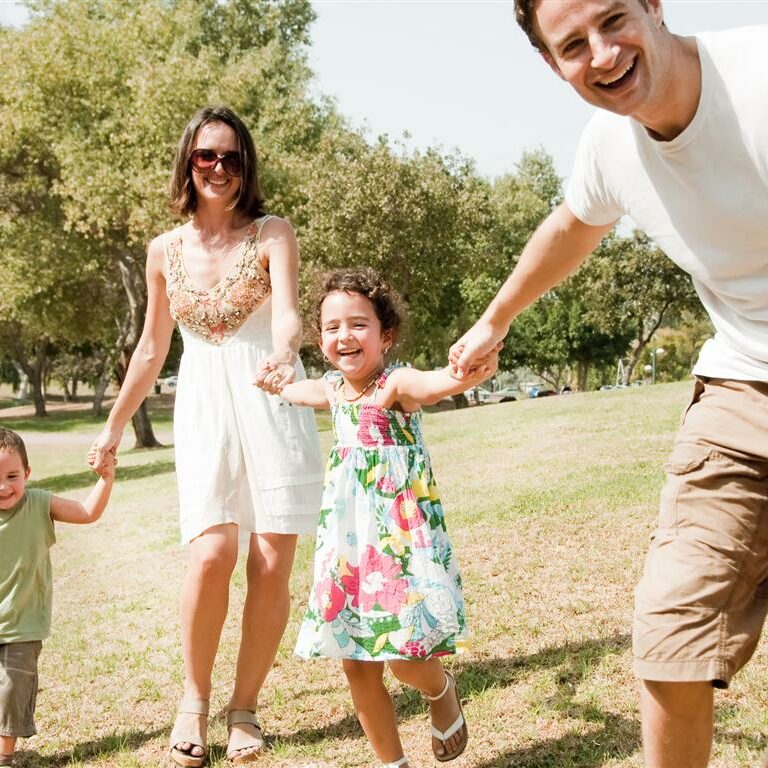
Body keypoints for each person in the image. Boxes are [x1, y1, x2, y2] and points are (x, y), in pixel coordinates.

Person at [450, 3, 768, 767]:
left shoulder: (757, 70)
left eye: (614, 18)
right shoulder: (609, 147)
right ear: (552, 65)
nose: (602, 53)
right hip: (740, 389)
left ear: (654, 4)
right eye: (572, 46)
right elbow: (572, 225)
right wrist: (495, 321)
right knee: (670, 632)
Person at [88, 105, 324, 766]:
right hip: (202, 406)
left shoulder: (274, 232)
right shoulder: (164, 250)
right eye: (205, 157)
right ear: (188, 164)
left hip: (268, 396)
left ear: (246, 166)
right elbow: (150, 348)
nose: (218, 168)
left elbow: (288, 315)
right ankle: (193, 698)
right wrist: (112, 428)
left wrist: (283, 356)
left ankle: (244, 709)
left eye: (231, 157)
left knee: (271, 560)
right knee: (211, 554)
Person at [256, 268, 499, 767]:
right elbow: (301, 393)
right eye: (331, 327)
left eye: (359, 324)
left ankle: (440, 689)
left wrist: (463, 373)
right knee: (356, 665)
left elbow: (434, 384)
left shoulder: (395, 385)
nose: (344, 335)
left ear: (386, 335)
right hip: (347, 552)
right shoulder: (330, 390)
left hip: (398, 546)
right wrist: (276, 385)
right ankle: (394, 764)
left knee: (405, 661)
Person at [0, 427, 115, 767]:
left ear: (27, 474)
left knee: (10, 690)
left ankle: (4, 756)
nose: (4, 486)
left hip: (23, 624)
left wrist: (106, 479)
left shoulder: (38, 504)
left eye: (12, 476)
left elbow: (86, 512)